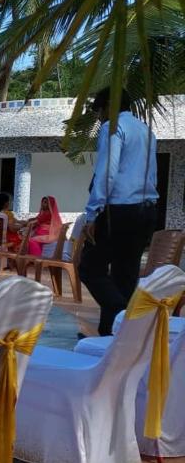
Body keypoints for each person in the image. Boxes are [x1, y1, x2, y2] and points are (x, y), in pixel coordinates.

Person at [78, 89, 159, 336]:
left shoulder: (113, 127)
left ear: (110, 106)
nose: (100, 118)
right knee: (125, 274)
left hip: (119, 210)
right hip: (146, 210)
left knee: (90, 268)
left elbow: (106, 172)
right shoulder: (146, 130)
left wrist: (93, 213)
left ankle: (123, 313)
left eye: (100, 111)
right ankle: (111, 338)